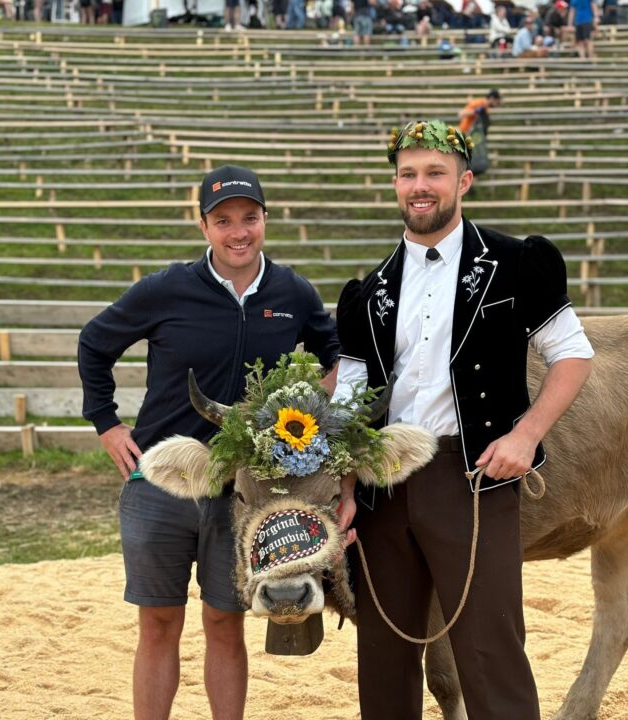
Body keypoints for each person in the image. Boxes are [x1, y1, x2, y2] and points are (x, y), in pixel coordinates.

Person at [334, 119, 594, 720]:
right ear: (395, 186)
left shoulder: (512, 262)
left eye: (434, 173)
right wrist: (345, 487)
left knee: (490, 650)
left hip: (471, 477)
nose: (419, 186)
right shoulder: (369, 290)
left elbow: (573, 354)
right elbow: (349, 401)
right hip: (380, 488)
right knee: (385, 656)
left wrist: (526, 435)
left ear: (464, 181)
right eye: (407, 175)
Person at [78, 164, 339, 720]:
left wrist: (313, 409)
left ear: (265, 219)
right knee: (158, 623)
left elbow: (337, 359)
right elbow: (94, 343)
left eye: (249, 218)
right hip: (161, 484)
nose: (237, 232)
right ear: (204, 227)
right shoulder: (164, 288)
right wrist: (106, 423)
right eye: (223, 221)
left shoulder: (294, 292)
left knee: (226, 622)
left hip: (243, 494)